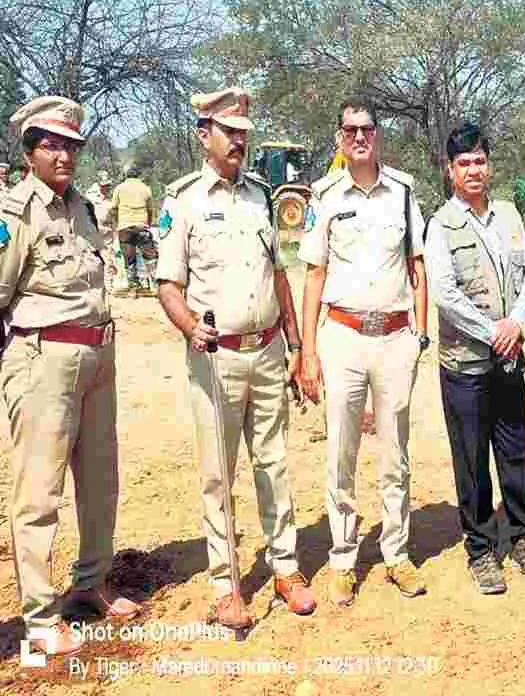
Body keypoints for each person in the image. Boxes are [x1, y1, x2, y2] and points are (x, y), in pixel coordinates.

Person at [155, 87, 316, 629]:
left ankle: (286, 568)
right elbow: (169, 286)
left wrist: (295, 345)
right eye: (230, 133)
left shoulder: (260, 197)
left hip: (268, 351)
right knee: (218, 476)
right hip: (216, 356)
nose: (240, 142)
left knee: (273, 465)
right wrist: (188, 327)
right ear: (205, 136)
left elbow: (278, 276)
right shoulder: (183, 201)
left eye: (245, 134)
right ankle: (225, 585)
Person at [0, 96, 141, 656]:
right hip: (43, 360)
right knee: (39, 492)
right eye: (51, 144)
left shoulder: (83, 208)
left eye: (71, 145)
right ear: (30, 151)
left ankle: (91, 586)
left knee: (101, 479)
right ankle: (39, 616)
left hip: (97, 356)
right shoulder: (14, 213)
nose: (63, 154)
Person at [296, 96, 430, 606]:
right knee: (341, 453)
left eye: (367, 129)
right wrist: (309, 352)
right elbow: (313, 275)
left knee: (396, 453)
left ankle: (396, 552)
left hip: (396, 336)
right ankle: (343, 557)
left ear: (378, 136)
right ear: (339, 138)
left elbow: (418, 266)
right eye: (350, 129)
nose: (359, 137)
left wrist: (419, 334)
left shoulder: (403, 191)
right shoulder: (326, 195)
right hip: (344, 336)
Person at [427, 123, 525, 595]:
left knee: (516, 451)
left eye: (479, 160)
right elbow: (445, 294)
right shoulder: (440, 226)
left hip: (508, 360)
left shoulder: (508, 216)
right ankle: (481, 550)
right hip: (465, 365)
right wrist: (494, 333)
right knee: (472, 461)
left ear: (488, 165)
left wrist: (516, 324)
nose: (473, 170)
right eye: (464, 163)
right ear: (450, 170)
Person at [110, 165, 157, 297]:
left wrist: (118, 222)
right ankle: (155, 285)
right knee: (150, 258)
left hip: (125, 228)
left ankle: (133, 289)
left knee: (129, 260)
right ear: (138, 175)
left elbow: (113, 208)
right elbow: (150, 210)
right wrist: (147, 224)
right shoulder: (146, 189)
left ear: (126, 175)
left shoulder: (119, 188)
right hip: (142, 227)